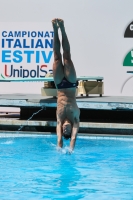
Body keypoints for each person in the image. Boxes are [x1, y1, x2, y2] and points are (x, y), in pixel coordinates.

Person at [52, 18, 80, 152]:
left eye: (64, 131)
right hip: (70, 84)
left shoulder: (60, 118)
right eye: (67, 131)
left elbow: (58, 138)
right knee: (67, 57)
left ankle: (55, 29)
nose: (65, 129)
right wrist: (70, 148)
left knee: (57, 57)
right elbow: (74, 138)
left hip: (59, 85)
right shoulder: (75, 119)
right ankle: (62, 28)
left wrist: (60, 143)